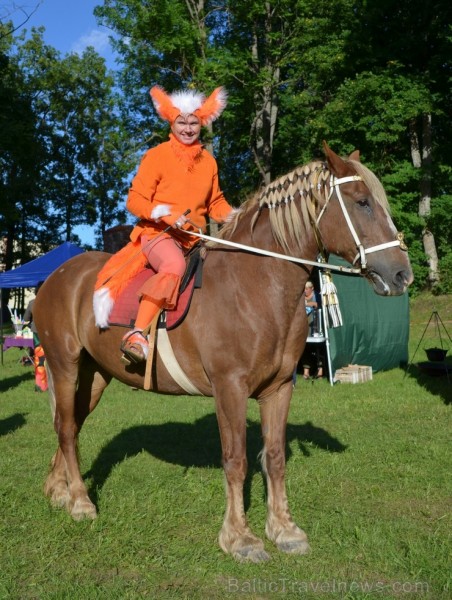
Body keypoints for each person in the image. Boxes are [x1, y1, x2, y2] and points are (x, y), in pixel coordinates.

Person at [94, 85, 235, 363]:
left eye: (193, 122)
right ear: (172, 121)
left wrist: (237, 217)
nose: (188, 128)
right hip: (157, 234)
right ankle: (136, 335)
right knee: (174, 266)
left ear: (202, 123)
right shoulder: (157, 155)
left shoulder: (209, 162)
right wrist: (164, 214)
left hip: (194, 239)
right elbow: (134, 200)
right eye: (182, 122)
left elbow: (215, 203)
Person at [302, 281, 324, 380]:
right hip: (304, 326)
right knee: (305, 348)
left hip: (315, 326)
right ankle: (306, 372)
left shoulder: (317, 296)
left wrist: (312, 304)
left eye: (307, 289)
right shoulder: (301, 297)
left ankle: (320, 371)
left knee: (318, 348)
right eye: (304, 289)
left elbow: (319, 305)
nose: (305, 291)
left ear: (312, 288)